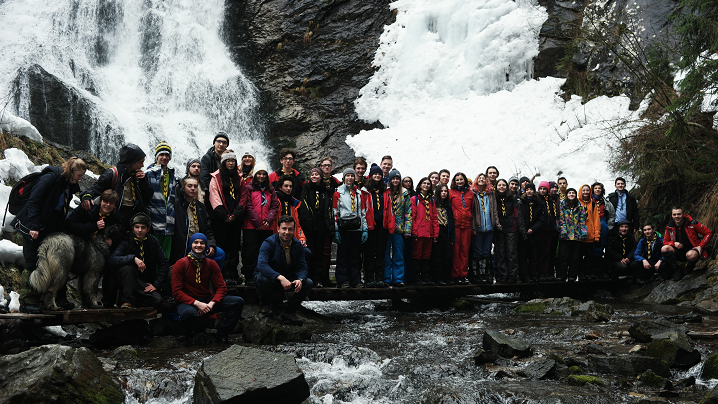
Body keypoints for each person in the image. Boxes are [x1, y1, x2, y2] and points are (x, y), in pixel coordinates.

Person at [13, 158, 86, 312]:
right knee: (32, 262)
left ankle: (49, 300)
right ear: (72, 171)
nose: (80, 179)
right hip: (31, 226)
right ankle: (27, 303)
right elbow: (33, 202)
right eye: (79, 175)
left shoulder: (66, 184)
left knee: (50, 263)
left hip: (47, 228)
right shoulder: (49, 179)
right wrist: (34, 226)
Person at [172, 233, 244, 340]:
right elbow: (177, 292)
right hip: (188, 302)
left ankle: (221, 335)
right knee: (188, 314)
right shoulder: (181, 264)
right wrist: (197, 304)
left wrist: (211, 304)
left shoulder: (211, 264)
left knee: (237, 301)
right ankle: (189, 336)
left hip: (207, 300)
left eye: (202, 243)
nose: (199, 245)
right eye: (196, 242)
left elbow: (221, 288)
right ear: (191, 245)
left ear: (206, 246)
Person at [255, 215, 313, 323]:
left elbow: (303, 267)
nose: (287, 232)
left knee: (308, 282)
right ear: (278, 229)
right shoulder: (268, 243)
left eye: (290, 229)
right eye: (284, 229)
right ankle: (266, 306)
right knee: (262, 279)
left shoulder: (297, 245)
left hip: (288, 276)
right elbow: (261, 265)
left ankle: (289, 311)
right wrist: (280, 277)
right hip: (271, 277)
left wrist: (300, 279)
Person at [80, 143, 152, 230]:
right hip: (115, 216)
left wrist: (144, 182)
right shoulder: (112, 174)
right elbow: (95, 189)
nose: (143, 165)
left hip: (132, 216)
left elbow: (148, 196)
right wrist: (86, 196)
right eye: (141, 162)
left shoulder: (138, 176)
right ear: (132, 161)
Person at [108, 213, 169, 308]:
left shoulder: (153, 242)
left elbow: (164, 263)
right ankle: (127, 301)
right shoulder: (125, 240)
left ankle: (132, 300)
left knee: (157, 300)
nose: (139, 230)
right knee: (128, 268)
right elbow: (112, 260)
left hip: (141, 282)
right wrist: (133, 258)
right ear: (132, 228)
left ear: (148, 229)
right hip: (125, 280)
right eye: (137, 227)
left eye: (143, 227)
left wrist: (156, 284)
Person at [209, 151, 247, 284]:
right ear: (223, 162)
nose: (230, 163)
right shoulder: (216, 177)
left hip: (235, 217)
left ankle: (233, 273)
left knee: (234, 246)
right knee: (222, 245)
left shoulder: (239, 177)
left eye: (233, 161)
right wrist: (224, 214)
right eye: (228, 161)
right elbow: (214, 196)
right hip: (220, 218)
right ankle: (223, 274)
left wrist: (236, 213)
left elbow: (243, 196)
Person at [171, 177, 224, 269]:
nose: (192, 188)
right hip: (184, 244)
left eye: (195, 186)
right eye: (189, 186)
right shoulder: (176, 204)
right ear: (183, 188)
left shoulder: (201, 206)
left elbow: (208, 228)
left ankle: (210, 280)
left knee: (220, 254)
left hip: (200, 243)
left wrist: (211, 245)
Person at [241, 163, 279, 285]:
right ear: (255, 174)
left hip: (267, 226)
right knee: (250, 251)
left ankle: (264, 274)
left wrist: (269, 219)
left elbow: (274, 206)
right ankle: (249, 276)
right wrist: (257, 221)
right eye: (259, 173)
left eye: (264, 174)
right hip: (250, 226)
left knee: (265, 251)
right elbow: (248, 206)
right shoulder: (248, 188)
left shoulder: (271, 189)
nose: (261, 176)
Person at [332, 168, 368, 288]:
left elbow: (362, 212)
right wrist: (336, 229)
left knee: (355, 256)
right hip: (343, 228)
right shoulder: (337, 192)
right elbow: (334, 212)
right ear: (344, 177)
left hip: (356, 228)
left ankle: (356, 280)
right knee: (342, 255)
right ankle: (342, 281)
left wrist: (365, 229)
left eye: (352, 176)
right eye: (347, 176)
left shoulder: (359, 193)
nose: (350, 178)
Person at [299, 168, 334, 288]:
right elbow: (302, 206)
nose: (314, 176)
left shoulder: (325, 190)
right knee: (308, 252)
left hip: (321, 225)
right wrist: (307, 222)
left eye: (316, 175)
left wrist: (329, 225)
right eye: (312, 174)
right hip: (308, 225)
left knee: (319, 252)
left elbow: (328, 208)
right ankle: (307, 277)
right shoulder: (306, 189)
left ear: (320, 176)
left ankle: (319, 279)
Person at [661, 206, 713, 280]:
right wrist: (674, 243)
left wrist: (700, 246)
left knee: (691, 255)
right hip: (678, 251)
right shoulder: (669, 227)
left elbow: (709, 233)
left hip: (692, 251)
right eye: (674, 214)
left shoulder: (692, 223)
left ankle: (690, 267)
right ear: (672, 215)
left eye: (679, 214)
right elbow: (665, 242)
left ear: (683, 214)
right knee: (664, 248)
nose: (676, 216)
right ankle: (677, 269)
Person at [145, 141, 176, 258]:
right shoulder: (148, 174)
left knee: (165, 256)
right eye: (161, 154)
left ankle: (163, 276)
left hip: (169, 223)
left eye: (167, 155)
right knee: (152, 254)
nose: (164, 157)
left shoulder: (173, 175)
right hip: (153, 221)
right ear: (156, 156)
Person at [383, 169, 412, 286]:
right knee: (385, 254)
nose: (395, 180)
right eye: (393, 179)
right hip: (386, 227)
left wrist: (407, 229)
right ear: (390, 180)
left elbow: (408, 213)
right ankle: (386, 278)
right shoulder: (385, 192)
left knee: (398, 254)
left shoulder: (405, 194)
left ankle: (398, 279)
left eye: (397, 179)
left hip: (398, 228)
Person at [362, 165, 389, 288]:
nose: (377, 176)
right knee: (369, 253)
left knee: (380, 253)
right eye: (375, 174)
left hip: (382, 226)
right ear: (371, 175)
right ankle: (369, 278)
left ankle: (379, 278)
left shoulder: (386, 190)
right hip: (370, 226)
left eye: (379, 174)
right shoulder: (365, 191)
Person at [494, 179, 525, 283]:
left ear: (507, 187)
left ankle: (512, 276)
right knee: (501, 253)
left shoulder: (512, 197)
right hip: (499, 228)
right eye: (499, 185)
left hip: (511, 228)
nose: (501, 187)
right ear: (496, 186)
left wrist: (521, 228)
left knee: (511, 253)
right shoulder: (493, 197)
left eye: (503, 185)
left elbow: (517, 213)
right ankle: (503, 276)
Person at [410, 177, 438, 285]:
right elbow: (412, 216)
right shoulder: (414, 199)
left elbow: (434, 217)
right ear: (420, 185)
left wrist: (435, 233)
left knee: (426, 255)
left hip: (429, 232)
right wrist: (414, 232)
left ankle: (426, 277)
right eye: (424, 183)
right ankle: (416, 278)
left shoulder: (431, 200)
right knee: (417, 255)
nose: (426, 185)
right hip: (419, 232)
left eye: (428, 184)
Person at [470, 173, 497, 284]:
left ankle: (485, 274)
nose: (481, 180)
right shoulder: (472, 194)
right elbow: (470, 211)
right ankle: (477, 275)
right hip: (478, 227)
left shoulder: (490, 194)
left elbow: (494, 209)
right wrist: (473, 227)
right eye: (479, 178)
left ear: (487, 181)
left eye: (483, 179)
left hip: (489, 228)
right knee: (477, 252)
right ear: (476, 181)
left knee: (486, 252)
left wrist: (496, 224)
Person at [518, 183, 546, 283]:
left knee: (533, 256)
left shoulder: (539, 203)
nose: (529, 191)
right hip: (522, 233)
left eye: (531, 189)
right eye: (527, 189)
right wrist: (524, 229)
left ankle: (534, 275)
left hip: (534, 233)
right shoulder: (521, 202)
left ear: (534, 191)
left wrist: (533, 229)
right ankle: (524, 276)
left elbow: (541, 219)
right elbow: (519, 217)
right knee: (523, 256)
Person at [557, 188, 588, 281]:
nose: (571, 194)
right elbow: (561, 220)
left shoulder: (580, 206)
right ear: (566, 195)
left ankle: (572, 276)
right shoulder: (561, 205)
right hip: (565, 235)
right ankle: (561, 275)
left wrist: (584, 233)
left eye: (573, 193)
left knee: (575, 257)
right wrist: (563, 231)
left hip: (577, 234)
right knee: (563, 256)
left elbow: (582, 220)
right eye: (569, 193)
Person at [449, 172, 474, 284]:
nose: (459, 181)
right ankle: (455, 275)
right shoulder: (450, 193)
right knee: (456, 250)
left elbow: (472, 208)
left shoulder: (470, 194)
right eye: (457, 180)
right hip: (456, 225)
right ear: (454, 181)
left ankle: (463, 275)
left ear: (464, 180)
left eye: (461, 179)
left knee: (465, 251)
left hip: (467, 225)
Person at [590, 182, 616, 279]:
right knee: (591, 248)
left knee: (600, 247)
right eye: (596, 188)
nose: (597, 190)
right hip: (590, 225)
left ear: (602, 190)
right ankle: (590, 271)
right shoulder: (588, 201)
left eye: (599, 188)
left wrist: (609, 227)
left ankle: (600, 271)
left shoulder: (606, 202)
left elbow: (612, 215)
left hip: (603, 225)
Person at [431, 184, 454, 285]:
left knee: (448, 256)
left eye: (445, 191)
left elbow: (452, 221)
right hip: (437, 231)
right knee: (437, 256)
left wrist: (452, 236)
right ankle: (439, 278)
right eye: (442, 191)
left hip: (447, 231)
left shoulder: (448, 205)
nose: (444, 193)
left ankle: (447, 277)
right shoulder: (434, 203)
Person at [578, 184, 602, 280]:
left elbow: (596, 220)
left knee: (589, 257)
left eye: (587, 190)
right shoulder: (576, 202)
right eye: (583, 190)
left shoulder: (593, 204)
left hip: (589, 235)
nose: (585, 192)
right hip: (578, 236)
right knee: (579, 257)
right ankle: (580, 273)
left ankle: (588, 273)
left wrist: (597, 235)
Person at [273, 175, 306, 244]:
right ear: (280, 187)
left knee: (307, 252)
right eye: (286, 186)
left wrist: (302, 237)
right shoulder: (274, 201)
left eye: (290, 186)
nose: (288, 188)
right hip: (276, 237)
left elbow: (297, 224)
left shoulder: (295, 203)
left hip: (291, 236)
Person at [538, 181, 560, 281]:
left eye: (544, 189)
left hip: (550, 229)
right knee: (541, 252)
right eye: (541, 189)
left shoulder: (550, 201)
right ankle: (541, 273)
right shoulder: (537, 200)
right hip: (540, 229)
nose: (543, 191)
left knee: (548, 252)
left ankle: (547, 273)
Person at [200, 132, 229, 201]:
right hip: (211, 195)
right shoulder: (206, 158)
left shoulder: (230, 158)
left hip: (227, 194)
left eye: (224, 142)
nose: (221, 144)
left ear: (227, 145)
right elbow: (204, 178)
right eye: (219, 141)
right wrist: (215, 191)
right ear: (214, 143)